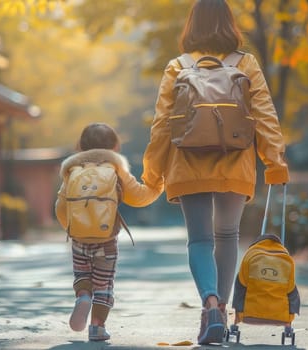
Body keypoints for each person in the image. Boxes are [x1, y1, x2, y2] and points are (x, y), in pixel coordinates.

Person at [141, 0, 290, 345]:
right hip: (235, 161)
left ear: (191, 25)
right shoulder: (246, 63)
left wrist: (153, 173)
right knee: (227, 235)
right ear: (230, 24)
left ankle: (209, 304)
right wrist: (274, 161)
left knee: (199, 239)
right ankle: (221, 311)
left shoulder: (177, 66)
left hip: (187, 163)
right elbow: (264, 114)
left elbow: (162, 125)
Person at [54, 122, 162, 342]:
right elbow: (138, 197)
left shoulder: (73, 170)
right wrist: (158, 186)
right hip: (106, 240)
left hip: (79, 239)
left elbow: (61, 207)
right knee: (104, 282)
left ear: (80, 146)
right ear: (115, 146)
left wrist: (71, 227)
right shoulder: (115, 168)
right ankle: (97, 326)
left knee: (83, 275)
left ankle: (83, 297)